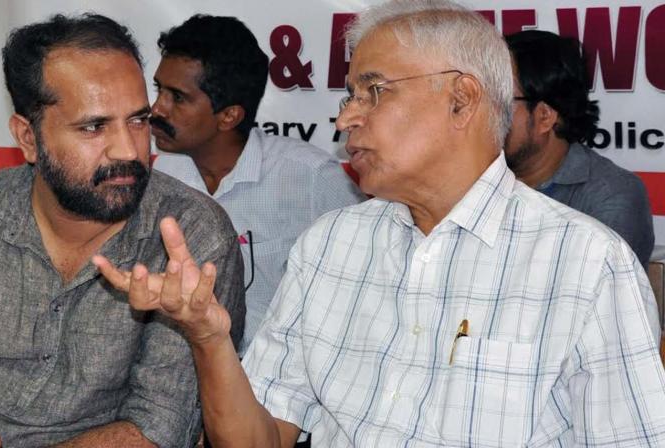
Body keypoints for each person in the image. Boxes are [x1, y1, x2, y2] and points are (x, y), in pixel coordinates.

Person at [96, 0, 665, 446]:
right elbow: (260, 439)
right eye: (349, 95)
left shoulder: (587, 264)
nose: (345, 118)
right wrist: (208, 337)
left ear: (462, 99)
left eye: (374, 91)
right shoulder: (330, 246)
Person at [0, 13, 244, 448]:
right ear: (28, 138)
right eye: (94, 127)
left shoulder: (191, 233)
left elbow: (161, 426)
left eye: (138, 120)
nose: (130, 149)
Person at [151, 14, 365, 354]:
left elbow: (359, 298)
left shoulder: (311, 178)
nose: (157, 108)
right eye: (158, 89)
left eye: (177, 97)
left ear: (229, 116)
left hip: (272, 387)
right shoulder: (165, 172)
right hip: (181, 375)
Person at [505, 30, 654, 265]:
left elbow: (591, 295)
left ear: (545, 116)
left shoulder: (611, 195)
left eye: (502, 101)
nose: (484, 115)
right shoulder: (475, 178)